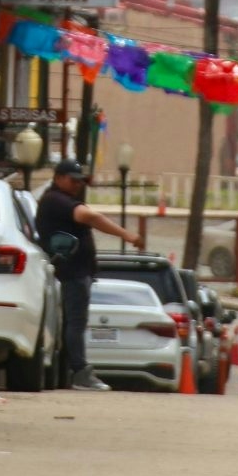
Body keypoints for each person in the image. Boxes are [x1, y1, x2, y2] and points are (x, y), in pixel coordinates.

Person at [35, 158, 146, 391]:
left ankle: (72, 371)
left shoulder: (63, 199)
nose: (77, 185)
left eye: (80, 181)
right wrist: (128, 236)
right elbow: (91, 217)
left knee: (73, 323)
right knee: (75, 323)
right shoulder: (56, 200)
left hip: (76, 272)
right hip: (70, 272)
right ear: (58, 178)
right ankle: (80, 372)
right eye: (73, 180)